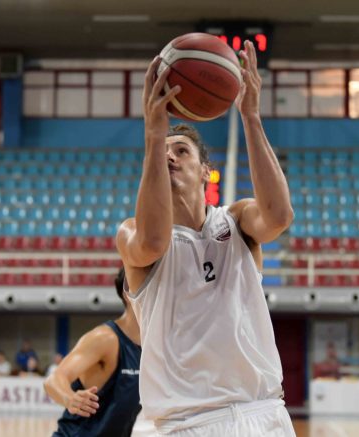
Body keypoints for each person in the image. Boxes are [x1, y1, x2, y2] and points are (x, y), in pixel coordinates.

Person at [117, 41, 295, 436]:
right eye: (164, 153)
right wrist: (154, 136)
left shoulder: (237, 221)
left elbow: (279, 216)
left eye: (181, 151)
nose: (170, 156)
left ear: (204, 171)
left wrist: (251, 116)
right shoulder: (131, 232)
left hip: (262, 414)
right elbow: (152, 242)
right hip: (185, 424)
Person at [44, 268, 143, 437]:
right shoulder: (105, 339)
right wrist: (70, 398)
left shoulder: (151, 345)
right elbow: (54, 379)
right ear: (129, 293)